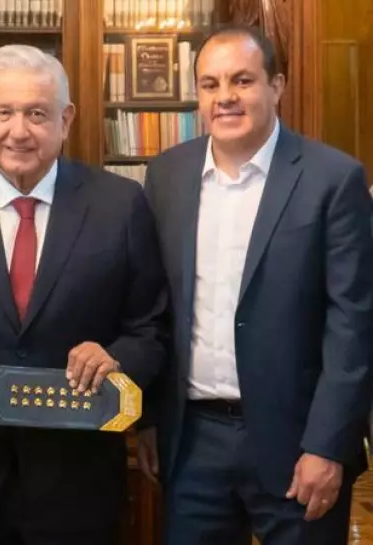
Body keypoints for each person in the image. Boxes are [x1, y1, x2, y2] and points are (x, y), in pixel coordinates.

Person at [0, 44, 168, 545]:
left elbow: (150, 328)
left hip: (77, 478)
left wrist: (115, 357)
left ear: (65, 119)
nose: (18, 130)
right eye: (3, 112)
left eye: (36, 114)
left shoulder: (119, 204)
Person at [137, 25, 373, 545]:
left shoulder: (333, 179)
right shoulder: (167, 176)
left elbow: (353, 326)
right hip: (192, 440)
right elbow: (155, 309)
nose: (225, 97)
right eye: (210, 84)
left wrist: (328, 446)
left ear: (277, 86)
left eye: (242, 80)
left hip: (298, 444)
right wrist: (150, 419)